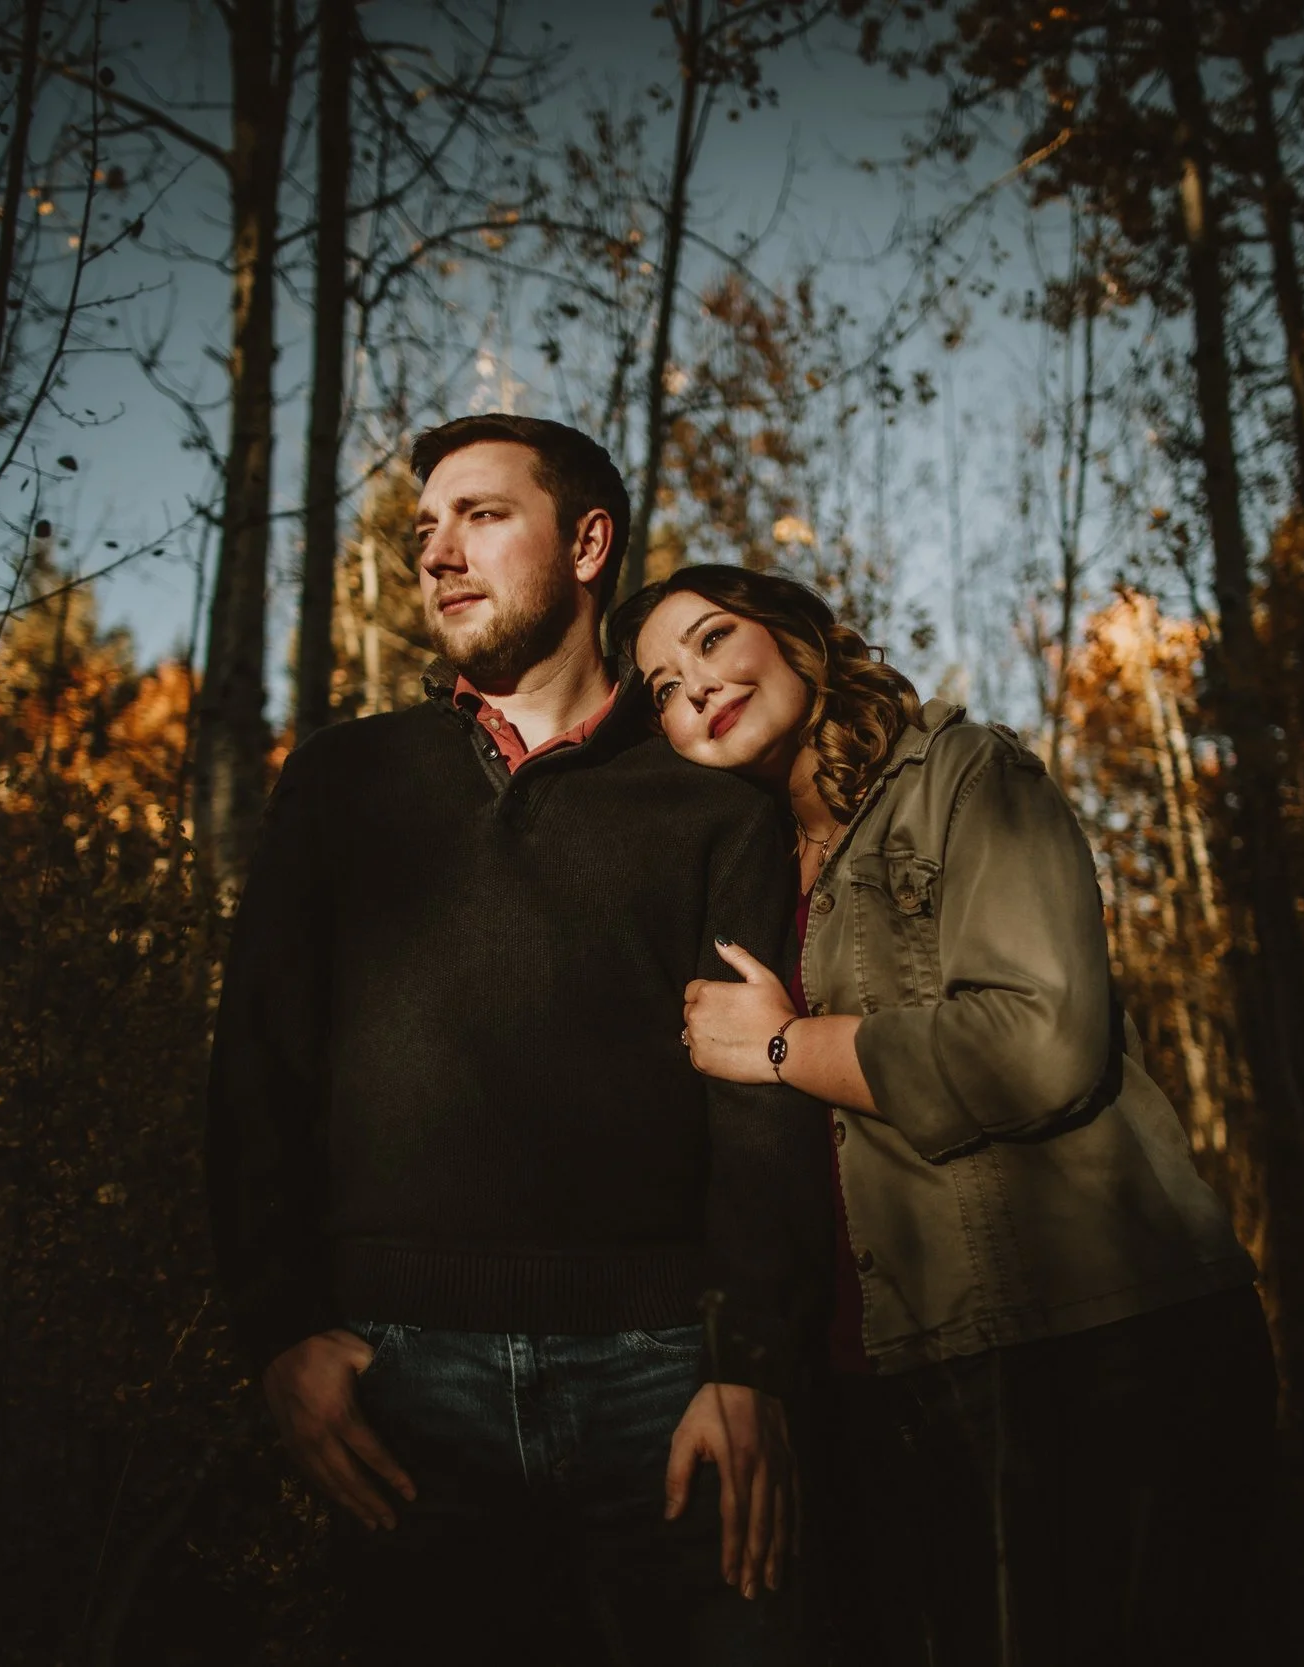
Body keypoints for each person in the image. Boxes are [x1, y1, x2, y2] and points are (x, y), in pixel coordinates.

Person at [206, 423, 831, 1666]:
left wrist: (751, 1360)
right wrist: (276, 1329)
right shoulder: (345, 779)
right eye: (423, 529)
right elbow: (255, 1068)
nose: (437, 552)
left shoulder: (708, 806)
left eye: (480, 516)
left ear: (588, 542)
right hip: (401, 1385)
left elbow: (760, 1102)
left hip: (664, 1383)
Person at [615, 564, 1278, 1666]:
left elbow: (1040, 1043)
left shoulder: (963, 777)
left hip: (1088, 1338)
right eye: (661, 687)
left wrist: (786, 1047)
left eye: (714, 638)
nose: (693, 685)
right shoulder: (747, 867)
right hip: (885, 1366)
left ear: (797, 637)